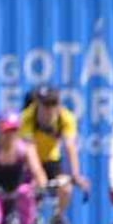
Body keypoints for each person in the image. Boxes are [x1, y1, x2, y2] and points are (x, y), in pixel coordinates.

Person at [20, 85, 89, 213]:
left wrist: (76, 174)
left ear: (58, 105)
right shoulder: (27, 117)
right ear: (37, 104)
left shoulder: (66, 118)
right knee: (29, 191)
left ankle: (57, 219)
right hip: (29, 162)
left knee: (66, 189)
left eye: (53, 104)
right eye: (45, 105)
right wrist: (39, 176)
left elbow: (70, 147)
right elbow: (29, 149)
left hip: (51, 159)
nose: (49, 110)